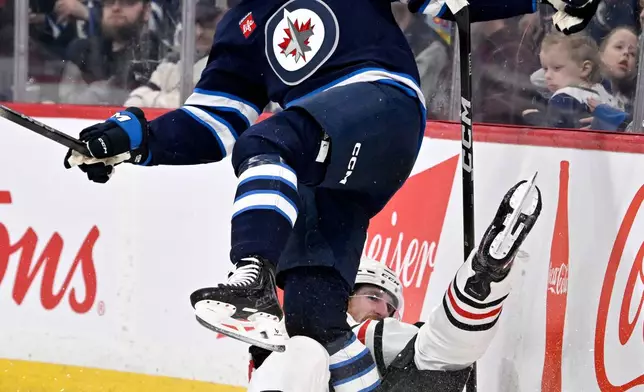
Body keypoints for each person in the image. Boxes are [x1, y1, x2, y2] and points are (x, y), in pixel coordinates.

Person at [62, 0, 595, 390]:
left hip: (380, 106)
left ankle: (252, 276)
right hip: (326, 158)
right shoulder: (242, 24)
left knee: (268, 142)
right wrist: (133, 139)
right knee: (313, 326)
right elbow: (212, 121)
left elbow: (442, 0)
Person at [246, 177, 542, 392]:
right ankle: (482, 283)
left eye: (391, 306)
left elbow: (439, 349)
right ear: (344, 296)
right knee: (305, 351)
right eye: (373, 296)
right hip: (315, 356)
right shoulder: (299, 328)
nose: (384, 309)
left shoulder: (393, 338)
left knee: (436, 359)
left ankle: (483, 279)